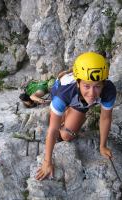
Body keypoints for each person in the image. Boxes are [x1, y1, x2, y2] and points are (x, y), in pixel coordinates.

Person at [36, 52, 117, 181]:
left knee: (66, 136)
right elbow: (52, 130)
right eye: (87, 85)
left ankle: (71, 111)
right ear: (78, 83)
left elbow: (105, 118)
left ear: (104, 84)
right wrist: (47, 162)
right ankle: (66, 110)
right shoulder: (63, 94)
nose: (92, 93)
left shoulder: (109, 91)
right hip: (64, 92)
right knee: (61, 132)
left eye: (97, 86)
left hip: (80, 101)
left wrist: (103, 146)